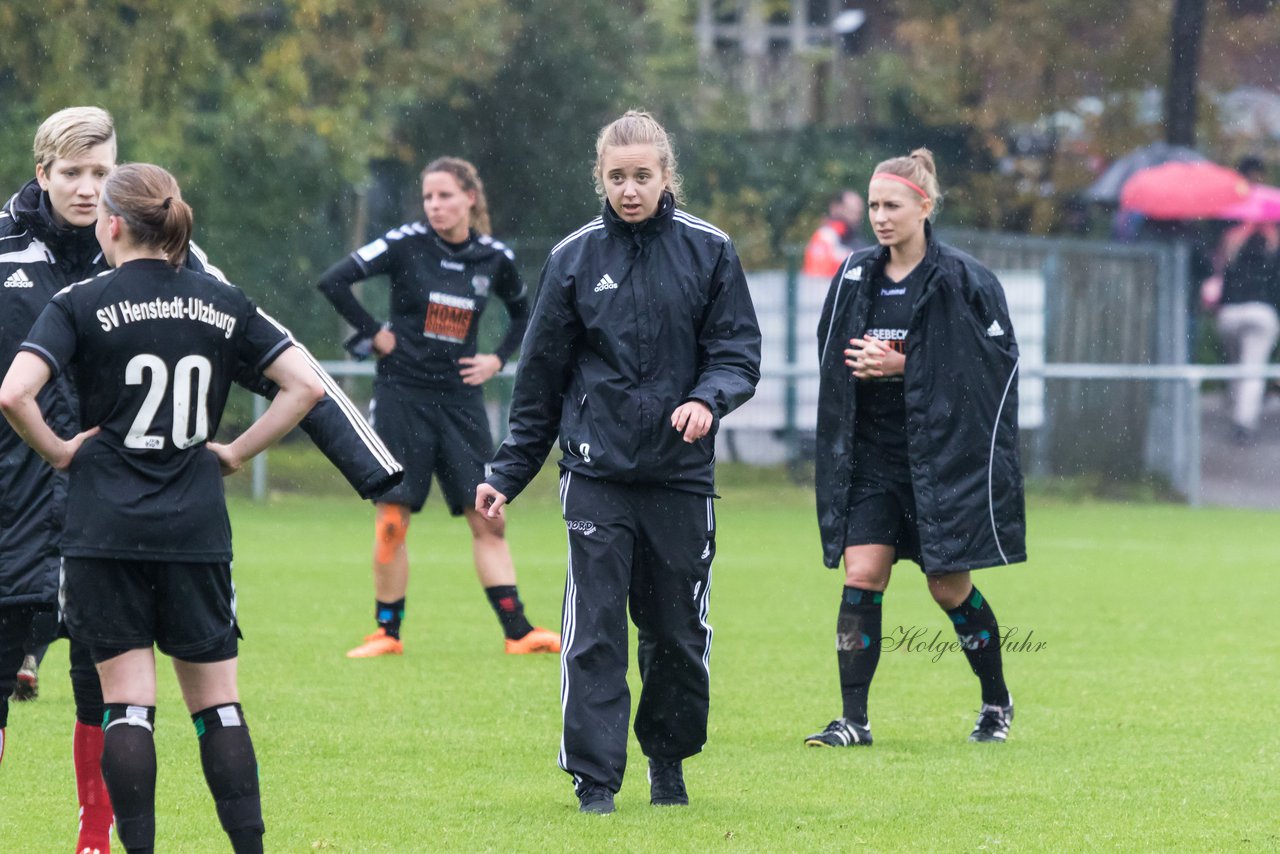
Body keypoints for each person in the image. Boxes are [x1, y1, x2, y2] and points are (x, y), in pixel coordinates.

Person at [0, 107, 401, 854]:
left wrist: (369, 462)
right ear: (42, 173)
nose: (88, 191)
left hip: (99, 511)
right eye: (74, 174)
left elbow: (16, 392)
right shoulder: (23, 255)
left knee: (110, 693)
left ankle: (103, 841)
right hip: (74, 508)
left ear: (117, 207)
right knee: (197, 703)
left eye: (101, 174)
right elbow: (297, 378)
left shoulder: (125, 279)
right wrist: (235, 450)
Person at [476, 110, 761, 814]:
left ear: (667, 177)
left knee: (674, 634)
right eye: (616, 177)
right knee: (593, 631)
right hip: (595, 474)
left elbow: (737, 352)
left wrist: (706, 400)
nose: (629, 189)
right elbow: (539, 379)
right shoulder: (574, 258)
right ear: (599, 179)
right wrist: (506, 474)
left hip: (680, 476)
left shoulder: (711, 251)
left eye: (642, 176)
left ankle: (668, 762)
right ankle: (595, 782)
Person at [807, 148, 1026, 750]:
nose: (880, 216)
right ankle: (854, 719)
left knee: (947, 589)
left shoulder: (964, 278)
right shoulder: (854, 274)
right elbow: (829, 355)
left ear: (923, 207)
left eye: (892, 205)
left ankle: (995, 702)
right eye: (874, 205)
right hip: (874, 457)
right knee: (863, 573)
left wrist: (905, 366)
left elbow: (994, 371)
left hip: (941, 460)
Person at [318, 156, 559, 658]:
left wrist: (496, 358)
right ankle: (387, 632)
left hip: (461, 401)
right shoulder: (405, 243)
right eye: (428, 197)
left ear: (470, 197)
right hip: (402, 395)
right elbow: (335, 281)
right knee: (392, 519)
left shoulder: (494, 256)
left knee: (487, 517)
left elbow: (525, 312)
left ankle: (518, 633)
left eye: (445, 195)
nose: (435, 206)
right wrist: (374, 333)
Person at [1203, 218, 1280, 443]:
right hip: (1262, 313)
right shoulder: (1274, 248)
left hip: (1230, 313)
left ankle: (1234, 407)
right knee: (1252, 370)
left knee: (1236, 366)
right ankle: (1243, 423)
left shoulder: (1233, 244)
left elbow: (1222, 283)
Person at [802, 189, 865, 277]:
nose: (856, 217)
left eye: (859, 212)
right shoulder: (825, 236)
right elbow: (818, 274)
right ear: (835, 208)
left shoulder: (856, 241)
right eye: (851, 210)